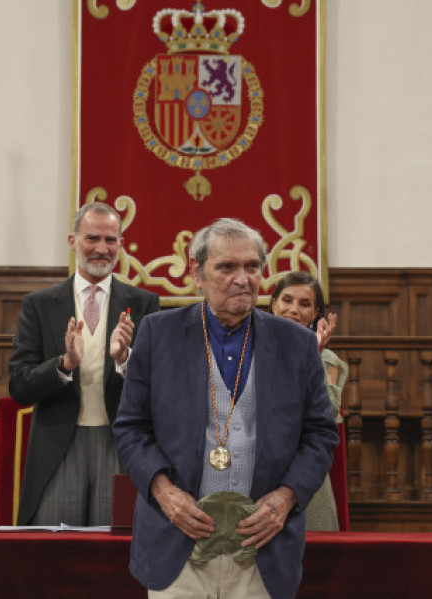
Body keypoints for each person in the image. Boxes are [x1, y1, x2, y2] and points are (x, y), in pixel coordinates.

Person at [113, 218, 338, 599]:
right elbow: (131, 428)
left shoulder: (297, 344)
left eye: (252, 267)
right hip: (177, 546)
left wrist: (286, 497)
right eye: (227, 267)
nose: (243, 278)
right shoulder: (158, 333)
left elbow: (320, 434)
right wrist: (163, 492)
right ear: (196, 273)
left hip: (263, 550)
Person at [8, 202, 159, 526]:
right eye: (92, 239)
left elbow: (159, 385)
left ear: (120, 244)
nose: (102, 249)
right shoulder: (39, 305)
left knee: (118, 549)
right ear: (72, 241)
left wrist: (125, 360)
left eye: (111, 240)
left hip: (120, 443)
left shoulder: (144, 303)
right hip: (59, 443)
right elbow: (19, 386)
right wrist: (64, 364)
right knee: (54, 554)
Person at [270, 271, 348, 531]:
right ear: (273, 305)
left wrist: (312, 358)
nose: (293, 309)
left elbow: (329, 416)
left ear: (315, 314)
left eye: (304, 304)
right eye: (287, 300)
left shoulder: (327, 360)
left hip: (306, 473)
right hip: (261, 471)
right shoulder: (250, 351)